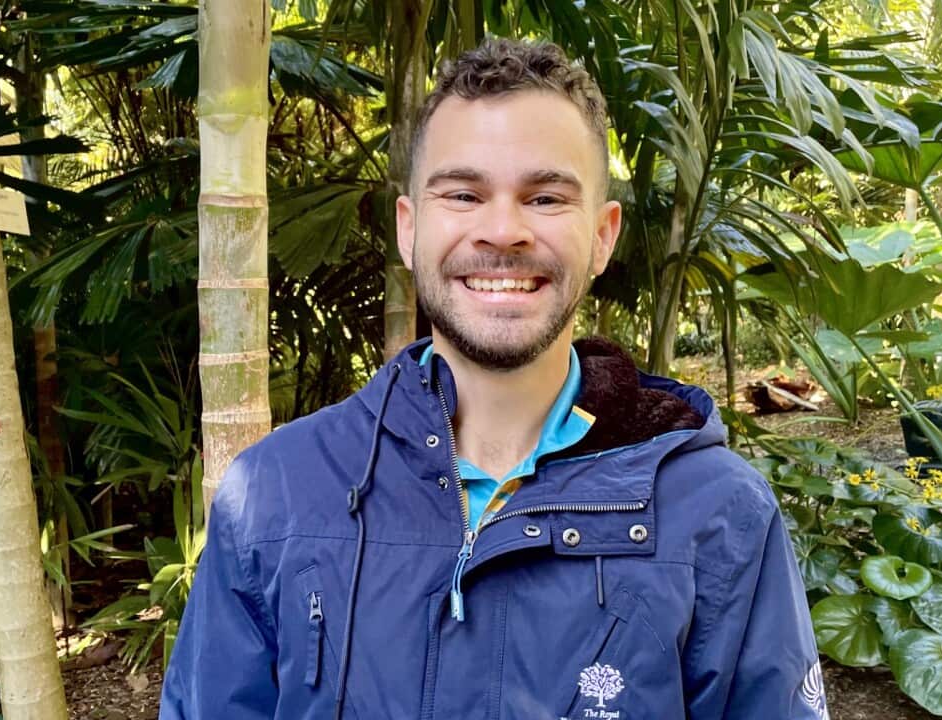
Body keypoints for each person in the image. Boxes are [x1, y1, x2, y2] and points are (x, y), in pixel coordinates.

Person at [160, 37, 826, 720]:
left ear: (603, 236)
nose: (502, 230)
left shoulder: (719, 514)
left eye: (544, 198)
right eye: (463, 193)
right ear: (408, 228)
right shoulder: (275, 497)